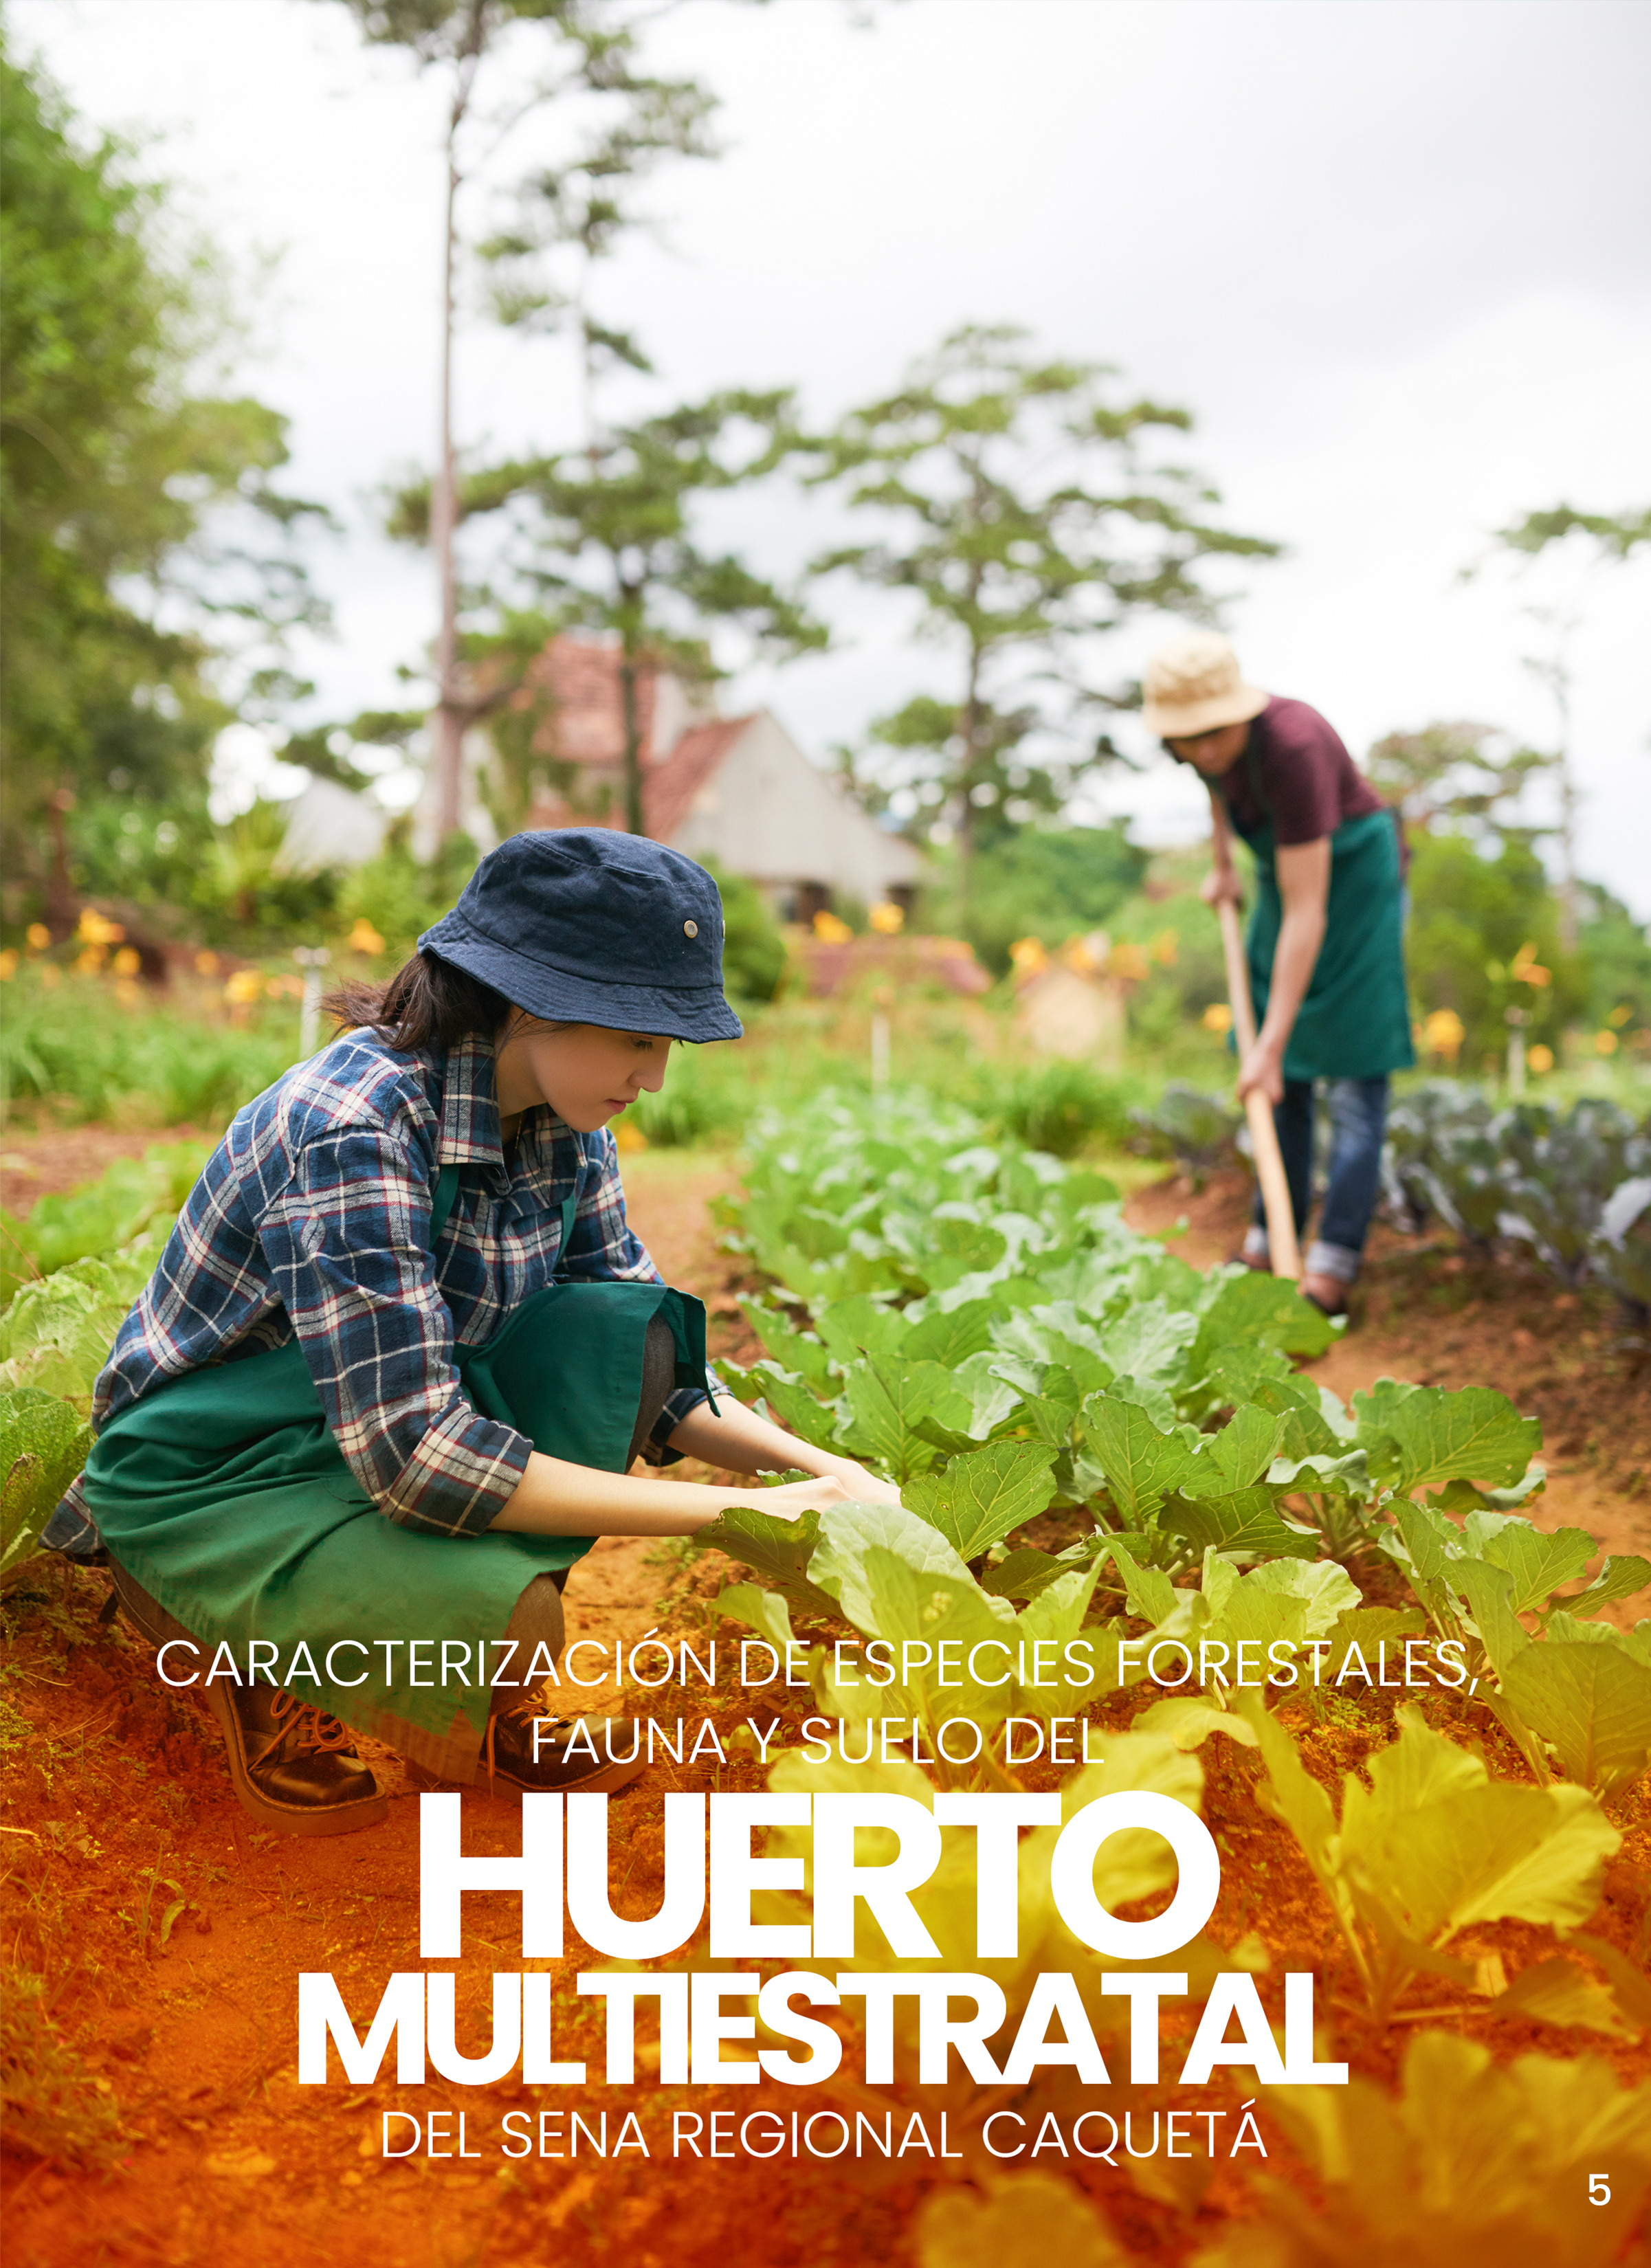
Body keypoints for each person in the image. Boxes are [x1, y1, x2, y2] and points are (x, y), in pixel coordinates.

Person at [43, 830, 896, 1836]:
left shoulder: (564, 1124)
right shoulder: (355, 1129)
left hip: (354, 1438)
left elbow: (656, 1374)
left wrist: (818, 1472)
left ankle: (446, 1693)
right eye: (639, 1039)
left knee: (635, 1335)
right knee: (513, 1626)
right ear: (531, 1001)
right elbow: (419, 1461)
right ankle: (247, 1645)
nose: (654, 1078)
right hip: (217, 1473)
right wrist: (745, 1520)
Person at [1142, 632, 1413, 1315]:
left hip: (1349, 887)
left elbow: (1306, 911)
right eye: (1186, 738)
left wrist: (1267, 1046)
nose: (1203, 750)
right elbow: (1216, 790)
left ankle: (1331, 1265)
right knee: (1280, 1082)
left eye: (1213, 732)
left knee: (1351, 1078)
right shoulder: (1202, 751)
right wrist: (1222, 865)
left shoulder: (1293, 747)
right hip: (1288, 883)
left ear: (1240, 711)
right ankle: (1270, 1241)